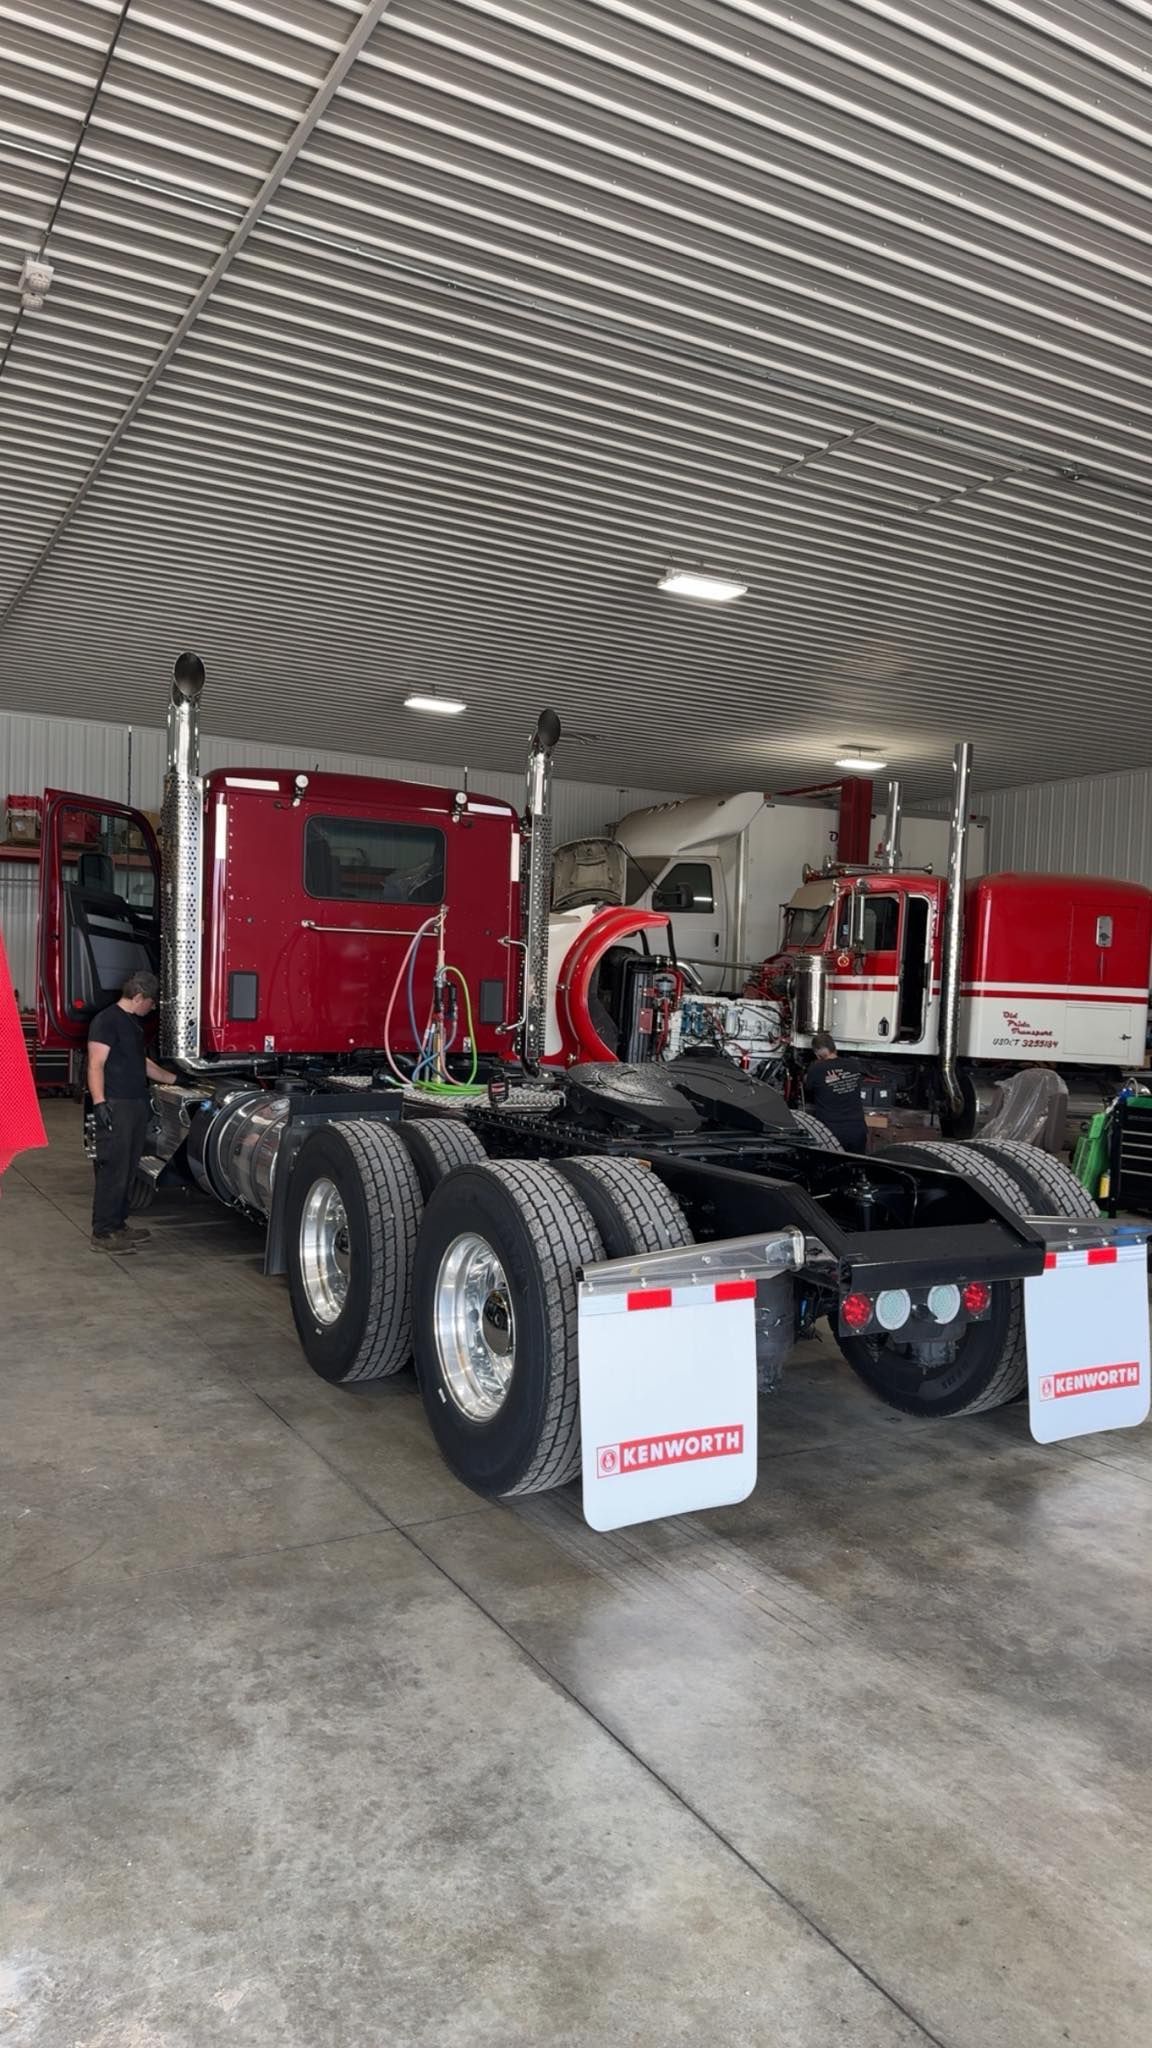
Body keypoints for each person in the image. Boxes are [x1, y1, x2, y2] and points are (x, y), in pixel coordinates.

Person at [87, 971, 175, 1252]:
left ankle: (118, 1224)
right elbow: (95, 1064)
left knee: (128, 1168)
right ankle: (102, 1233)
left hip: (135, 1104)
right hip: (116, 1104)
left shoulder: (133, 1025)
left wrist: (175, 1079)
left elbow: (144, 1064)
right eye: (150, 1002)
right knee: (113, 1168)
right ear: (138, 997)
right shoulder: (106, 1021)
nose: (151, 1007)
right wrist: (100, 1103)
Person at [803, 1031, 869, 1151]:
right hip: (857, 1130)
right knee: (856, 1166)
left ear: (817, 1054)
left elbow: (808, 1087)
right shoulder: (854, 1064)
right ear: (834, 1048)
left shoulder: (816, 1068)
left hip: (830, 1134)